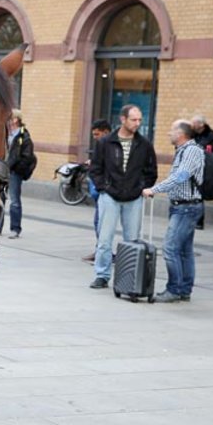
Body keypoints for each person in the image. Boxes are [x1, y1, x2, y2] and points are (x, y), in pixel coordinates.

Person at [88, 104, 157, 289]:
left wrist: (141, 188)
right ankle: (102, 275)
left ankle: (129, 278)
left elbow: (151, 171)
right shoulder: (105, 142)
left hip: (133, 197)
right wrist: (104, 187)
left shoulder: (144, 144)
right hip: (110, 195)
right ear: (123, 119)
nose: (137, 123)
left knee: (132, 240)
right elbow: (95, 169)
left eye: (140, 120)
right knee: (104, 239)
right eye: (133, 120)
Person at [143, 120, 205, 302]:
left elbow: (181, 176)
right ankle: (184, 289)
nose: (168, 133)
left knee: (170, 248)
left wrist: (154, 189)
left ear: (181, 134)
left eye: (172, 130)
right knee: (184, 250)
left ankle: (174, 290)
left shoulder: (192, 151)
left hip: (187, 207)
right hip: (182, 206)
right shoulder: (182, 150)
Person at [82, 118, 112, 262]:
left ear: (105, 132)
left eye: (96, 134)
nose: (94, 137)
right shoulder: (102, 146)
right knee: (98, 222)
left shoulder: (112, 146)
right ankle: (101, 251)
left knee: (102, 223)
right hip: (100, 191)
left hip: (107, 192)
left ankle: (104, 253)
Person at [4, 109, 34, 239]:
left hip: (14, 173)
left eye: (10, 118)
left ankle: (15, 229)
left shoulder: (23, 136)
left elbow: (27, 156)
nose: (8, 120)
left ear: (16, 120)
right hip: (2, 170)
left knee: (14, 201)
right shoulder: (5, 133)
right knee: (0, 199)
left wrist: (16, 169)